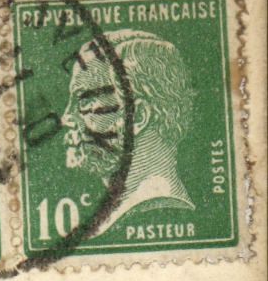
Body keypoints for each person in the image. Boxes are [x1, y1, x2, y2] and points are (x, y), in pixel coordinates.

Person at [62, 29, 196, 234]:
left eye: (85, 102)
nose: (66, 119)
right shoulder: (116, 222)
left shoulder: (147, 215)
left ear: (137, 116)